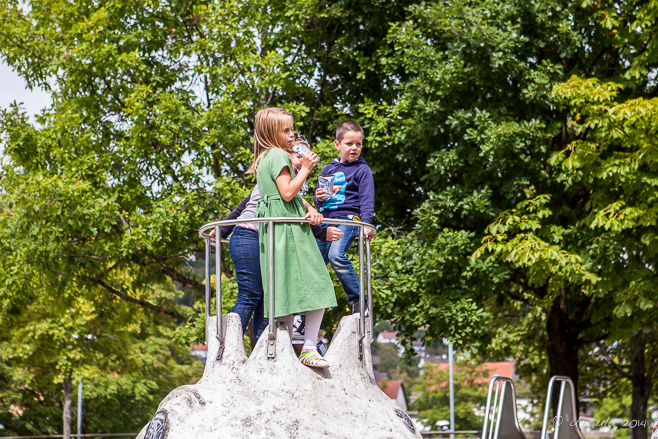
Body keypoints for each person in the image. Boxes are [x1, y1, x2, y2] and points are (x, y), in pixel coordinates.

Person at [250, 107, 337, 368]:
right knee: (319, 283)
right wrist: (307, 168)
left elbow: (284, 196)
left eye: (291, 130)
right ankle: (309, 347)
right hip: (288, 229)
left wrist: (309, 209)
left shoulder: (265, 157)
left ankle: (285, 349)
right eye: (286, 130)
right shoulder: (278, 155)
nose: (291, 135)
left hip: (277, 229)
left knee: (284, 288)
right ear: (271, 133)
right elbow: (287, 192)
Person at [218, 182, 341, 344]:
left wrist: (311, 209)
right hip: (248, 235)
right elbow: (290, 212)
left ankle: (263, 351)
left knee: (266, 299)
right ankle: (229, 346)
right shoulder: (277, 170)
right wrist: (321, 230)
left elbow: (288, 207)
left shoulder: (287, 180)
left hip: (265, 238)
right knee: (250, 294)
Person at [313, 120, 375, 315]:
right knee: (315, 264)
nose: (354, 148)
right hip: (326, 220)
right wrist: (318, 197)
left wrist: (367, 224)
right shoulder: (327, 170)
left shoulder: (362, 170)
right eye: (349, 144)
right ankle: (309, 311)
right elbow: (318, 200)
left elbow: (366, 199)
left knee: (336, 256)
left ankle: (358, 299)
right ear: (337, 145)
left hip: (348, 218)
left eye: (358, 144)